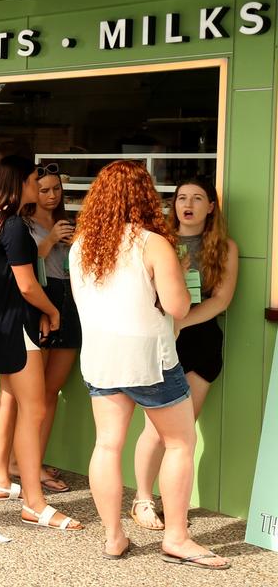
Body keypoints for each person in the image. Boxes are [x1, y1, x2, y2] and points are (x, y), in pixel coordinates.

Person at [70, 161, 226, 567]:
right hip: (149, 359)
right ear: (145, 196)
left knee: (107, 444)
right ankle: (176, 538)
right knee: (180, 442)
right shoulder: (153, 243)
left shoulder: (80, 244)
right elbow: (178, 306)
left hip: (101, 357)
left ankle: (113, 536)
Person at [0, 155, 81, 531]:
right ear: (20, 182)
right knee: (34, 409)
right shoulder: (16, 226)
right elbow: (27, 284)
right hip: (19, 328)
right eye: (35, 180)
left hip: (2, 327)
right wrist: (52, 311)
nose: (40, 187)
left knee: (12, 400)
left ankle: (1, 480)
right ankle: (35, 502)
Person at [130, 177, 238, 534]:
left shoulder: (224, 248)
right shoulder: (159, 243)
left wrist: (183, 322)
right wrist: (170, 326)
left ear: (211, 207)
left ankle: (171, 504)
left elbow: (220, 301)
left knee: (181, 431)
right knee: (156, 430)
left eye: (197, 198)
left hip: (201, 341)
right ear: (172, 204)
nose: (187, 204)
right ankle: (143, 500)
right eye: (181, 198)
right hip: (161, 341)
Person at [22, 162, 80, 493]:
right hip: (42, 299)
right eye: (44, 189)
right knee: (30, 395)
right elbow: (26, 266)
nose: (51, 195)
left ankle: (36, 460)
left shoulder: (66, 221)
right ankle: (23, 464)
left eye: (56, 189)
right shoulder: (24, 224)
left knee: (51, 391)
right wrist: (50, 241)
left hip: (70, 297)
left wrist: (73, 242)